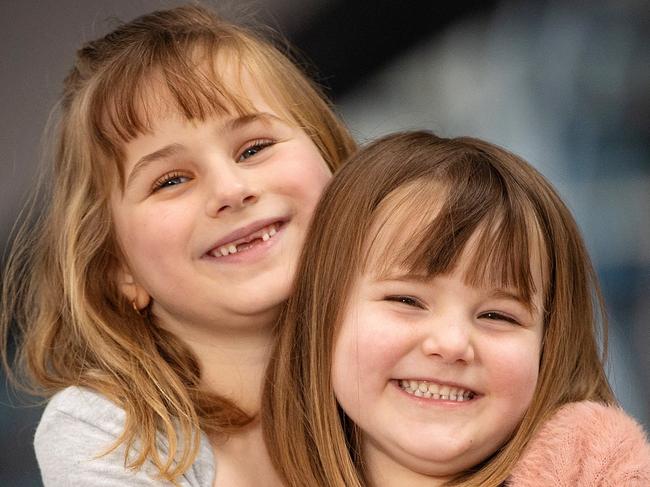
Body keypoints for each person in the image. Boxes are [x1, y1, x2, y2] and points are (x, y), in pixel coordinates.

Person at [0, 4, 355, 486]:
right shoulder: (107, 431)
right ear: (116, 268)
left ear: (337, 165)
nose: (231, 190)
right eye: (170, 181)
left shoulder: (430, 349)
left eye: (254, 148)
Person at [264, 131, 650, 486]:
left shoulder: (598, 473)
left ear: (549, 349)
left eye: (497, 316)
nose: (450, 344)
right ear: (320, 314)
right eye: (407, 301)